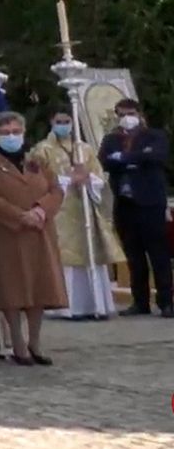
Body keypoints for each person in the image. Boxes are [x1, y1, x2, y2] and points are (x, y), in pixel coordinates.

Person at [0, 112, 66, 364]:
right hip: (9, 233)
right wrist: (20, 216)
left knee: (39, 286)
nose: (11, 137)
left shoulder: (36, 161)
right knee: (14, 288)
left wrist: (40, 209)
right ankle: (17, 344)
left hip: (40, 231)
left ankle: (35, 342)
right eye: (5, 133)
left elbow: (56, 189)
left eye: (16, 132)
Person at [26, 108, 125, 319]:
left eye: (67, 120)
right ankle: (65, 307)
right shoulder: (42, 150)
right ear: (52, 122)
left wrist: (88, 178)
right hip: (59, 209)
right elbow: (36, 179)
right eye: (59, 120)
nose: (64, 124)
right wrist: (68, 179)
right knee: (64, 255)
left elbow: (100, 177)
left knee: (90, 254)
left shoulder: (85, 149)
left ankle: (93, 304)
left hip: (84, 209)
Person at [98, 98, 172, 317]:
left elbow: (157, 157)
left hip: (150, 202)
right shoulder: (112, 138)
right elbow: (105, 161)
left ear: (139, 114)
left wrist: (125, 158)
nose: (125, 118)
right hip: (125, 203)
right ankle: (140, 302)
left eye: (129, 113)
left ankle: (167, 302)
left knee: (158, 254)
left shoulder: (155, 136)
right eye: (121, 114)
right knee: (133, 256)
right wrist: (136, 159)